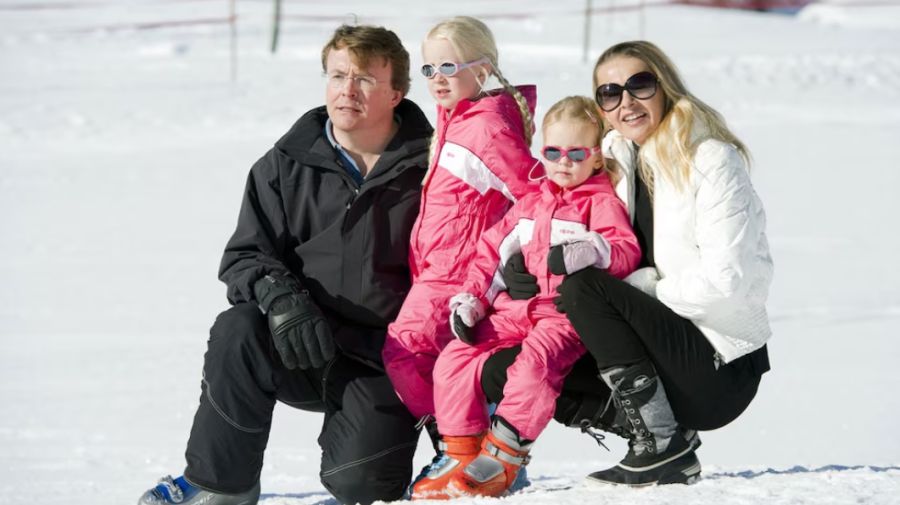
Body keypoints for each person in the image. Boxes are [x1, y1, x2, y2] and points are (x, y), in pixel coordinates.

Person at [137, 24, 433, 505]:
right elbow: (246, 255)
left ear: (396, 92)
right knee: (239, 328)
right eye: (337, 76)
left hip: (386, 359)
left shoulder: (434, 168)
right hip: (300, 340)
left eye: (364, 80)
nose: (347, 91)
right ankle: (220, 485)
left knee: (362, 486)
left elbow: (457, 268)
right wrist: (282, 299)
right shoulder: (283, 164)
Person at [484, 40, 773, 487]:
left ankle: (660, 444)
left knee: (583, 287)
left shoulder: (711, 159)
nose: (626, 102)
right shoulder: (615, 155)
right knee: (507, 367)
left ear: (665, 86)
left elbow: (726, 283)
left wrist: (642, 288)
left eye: (639, 85)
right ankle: (662, 434)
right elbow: (559, 210)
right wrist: (526, 268)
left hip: (719, 363)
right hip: (655, 356)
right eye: (610, 93)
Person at [411, 96, 641, 499]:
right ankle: (461, 452)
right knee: (454, 358)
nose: (563, 162)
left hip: (562, 317)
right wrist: (472, 301)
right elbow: (490, 253)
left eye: (576, 153)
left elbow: (624, 249)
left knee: (534, 365)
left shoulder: (599, 202)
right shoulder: (532, 202)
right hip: (513, 312)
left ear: (596, 159)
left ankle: (504, 456)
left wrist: (592, 250)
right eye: (553, 152)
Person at [381, 15, 538, 463]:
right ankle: (472, 446)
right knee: (440, 361)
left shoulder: (485, 128)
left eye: (448, 67)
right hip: (438, 270)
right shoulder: (459, 118)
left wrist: (503, 254)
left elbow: (533, 195)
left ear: (482, 69)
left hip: (460, 272)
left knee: (404, 351)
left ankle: (469, 446)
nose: (436, 80)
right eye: (428, 70)